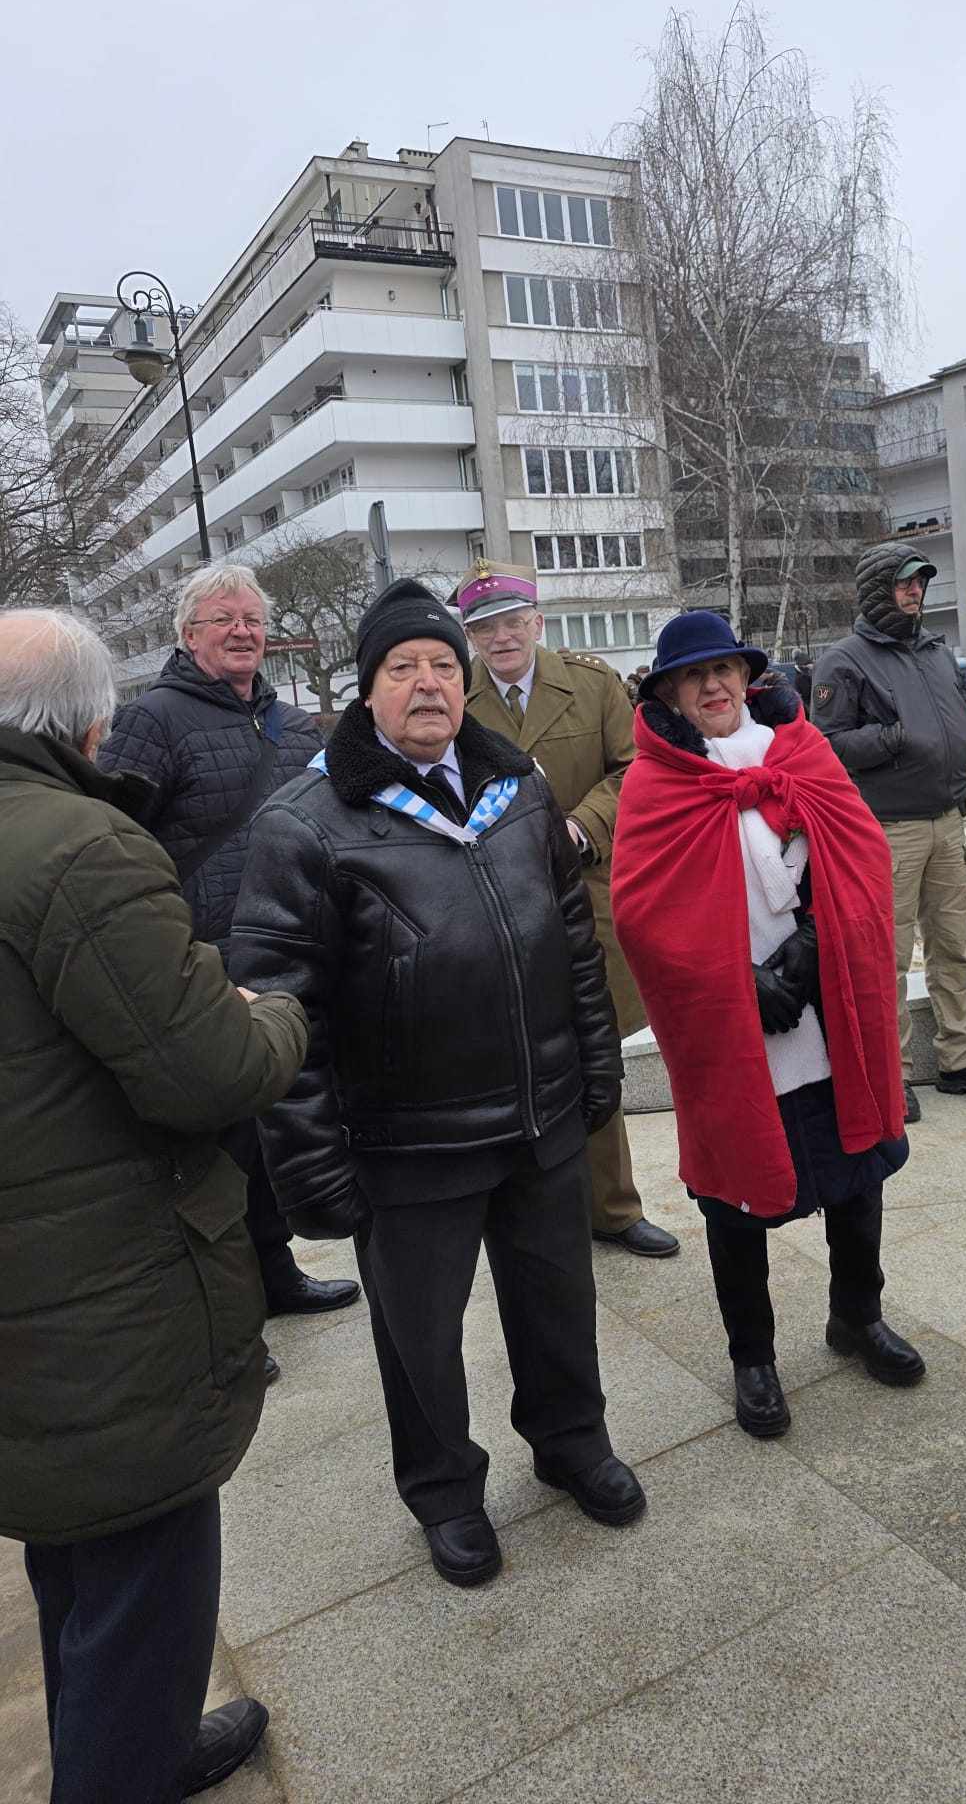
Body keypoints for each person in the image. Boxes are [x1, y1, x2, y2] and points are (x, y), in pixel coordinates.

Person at [231, 580, 644, 1587]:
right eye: (403, 667)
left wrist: (593, 1066)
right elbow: (280, 1009)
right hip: (408, 1141)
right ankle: (446, 1490)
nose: (429, 683)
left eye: (444, 666)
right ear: (367, 690)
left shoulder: (519, 788)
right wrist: (309, 1168)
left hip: (540, 1113)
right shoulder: (307, 821)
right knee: (418, 1335)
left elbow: (572, 943)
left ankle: (570, 1438)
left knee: (558, 1299)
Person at [0, 608, 309, 1803]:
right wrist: (267, 1010)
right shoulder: (78, 846)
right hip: (100, 1290)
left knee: (73, 1553)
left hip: (28, 1292)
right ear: (91, 720)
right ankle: (127, 1763)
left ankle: (124, 1740)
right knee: (146, 1563)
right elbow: (207, 1072)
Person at [612, 612, 923, 1439]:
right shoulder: (656, 783)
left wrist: (811, 950)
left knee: (859, 1169)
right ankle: (753, 1357)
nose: (713, 686)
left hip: (826, 1006)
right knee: (735, 1198)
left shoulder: (804, 753)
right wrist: (740, 981)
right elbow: (643, 916)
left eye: (725, 669)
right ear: (671, 692)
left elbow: (860, 864)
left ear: (745, 677)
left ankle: (857, 1316)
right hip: (732, 1025)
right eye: (694, 676)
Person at [98, 562, 358, 1347]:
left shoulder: (294, 722)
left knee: (279, 1122)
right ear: (188, 635)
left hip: (291, 949)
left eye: (252, 618)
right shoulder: (151, 720)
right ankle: (228, 1309)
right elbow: (112, 845)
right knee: (220, 1144)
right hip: (205, 962)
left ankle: (276, 1274)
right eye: (224, 619)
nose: (243, 631)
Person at [456, 559, 678, 1257]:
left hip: (582, 892)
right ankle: (535, 1216)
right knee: (514, 1055)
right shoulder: (451, 699)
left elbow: (634, 768)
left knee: (594, 1045)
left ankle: (612, 1208)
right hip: (491, 902)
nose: (502, 638)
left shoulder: (590, 684)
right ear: (470, 637)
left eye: (512, 621)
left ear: (537, 622)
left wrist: (582, 825)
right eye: (485, 627)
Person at [810, 540, 966, 1123]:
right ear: (878, 589)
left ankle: (960, 1060)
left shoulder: (933, 651)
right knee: (890, 957)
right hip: (888, 828)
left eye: (920, 582)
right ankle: (892, 1072)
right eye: (904, 582)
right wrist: (892, 738)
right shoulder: (844, 661)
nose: (914, 591)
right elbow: (824, 747)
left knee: (954, 946)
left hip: (948, 819)